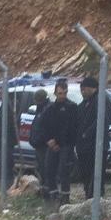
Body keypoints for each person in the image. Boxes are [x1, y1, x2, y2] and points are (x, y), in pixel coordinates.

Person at [34, 78, 78, 207]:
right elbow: (42, 126)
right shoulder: (50, 109)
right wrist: (48, 140)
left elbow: (72, 128)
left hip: (66, 145)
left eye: (65, 93)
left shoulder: (72, 107)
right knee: (49, 170)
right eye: (60, 93)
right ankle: (53, 195)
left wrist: (60, 142)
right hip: (52, 145)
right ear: (55, 93)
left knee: (64, 171)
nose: (62, 96)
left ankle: (65, 197)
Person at [76, 75, 111, 200]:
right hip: (86, 146)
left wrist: (87, 134)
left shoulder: (100, 100)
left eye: (84, 89)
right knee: (87, 174)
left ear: (91, 88)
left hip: (95, 145)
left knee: (94, 176)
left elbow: (103, 119)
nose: (82, 92)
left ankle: (95, 201)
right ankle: (90, 199)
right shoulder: (87, 102)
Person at [28, 88, 51, 199]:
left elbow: (45, 129)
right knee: (41, 169)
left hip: (44, 146)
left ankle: (48, 193)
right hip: (38, 146)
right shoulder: (40, 109)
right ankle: (43, 191)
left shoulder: (47, 109)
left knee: (46, 170)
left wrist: (39, 140)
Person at [0, 87, 19, 184]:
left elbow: (7, 122)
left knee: (6, 161)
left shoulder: (8, 105)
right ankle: (4, 181)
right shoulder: (5, 104)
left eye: (0, 93)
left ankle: (6, 182)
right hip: (4, 139)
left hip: (7, 139)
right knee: (4, 160)